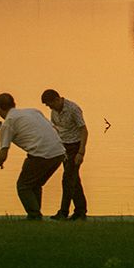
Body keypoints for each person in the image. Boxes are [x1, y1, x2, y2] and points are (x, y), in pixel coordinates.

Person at [0, 92, 66, 220]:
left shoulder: (9, 122)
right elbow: (49, 129)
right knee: (35, 184)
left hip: (41, 155)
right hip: (59, 153)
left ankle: (34, 215)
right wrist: (1, 126)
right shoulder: (33, 111)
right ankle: (35, 215)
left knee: (23, 186)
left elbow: (3, 155)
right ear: (13, 104)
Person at [41, 88, 88, 220]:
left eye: (50, 104)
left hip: (75, 146)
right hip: (63, 147)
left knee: (67, 179)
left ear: (57, 99)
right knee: (74, 180)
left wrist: (81, 152)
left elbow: (84, 130)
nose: (49, 107)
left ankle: (63, 212)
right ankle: (81, 211)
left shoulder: (73, 109)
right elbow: (56, 129)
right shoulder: (54, 112)